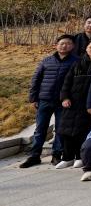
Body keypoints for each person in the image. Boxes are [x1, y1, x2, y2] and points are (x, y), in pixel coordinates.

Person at [23, 35, 78, 168]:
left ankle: (56, 155)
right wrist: (33, 98)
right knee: (40, 129)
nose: (64, 46)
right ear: (56, 45)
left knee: (60, 129)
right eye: (62, 43)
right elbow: (36, 79)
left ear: (72, 46)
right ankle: (34, 155)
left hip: (63, 101)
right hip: (44, 100)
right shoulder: (46, 61)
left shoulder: (76, 61)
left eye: (68, 43)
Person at [56, 38, 91, 170]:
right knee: (66, 130)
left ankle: (80, 157)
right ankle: (67, 158)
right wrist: (64, 98)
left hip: (89, 103)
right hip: (72, 102)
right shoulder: (77, 63)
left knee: (82, 131)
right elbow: (67, 82)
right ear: (86, 49)